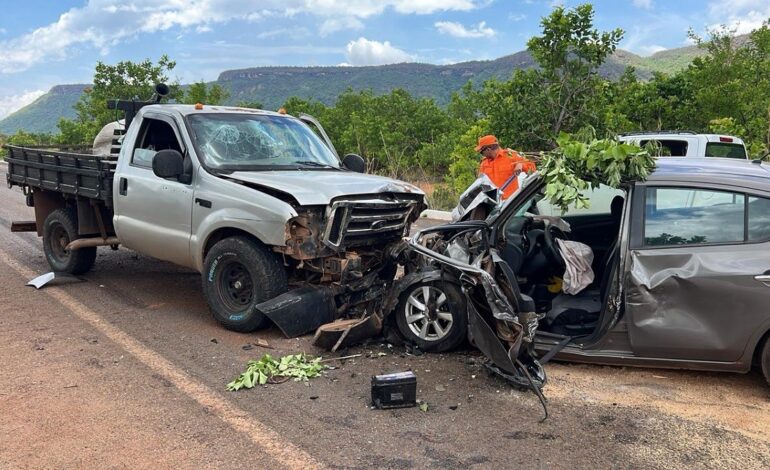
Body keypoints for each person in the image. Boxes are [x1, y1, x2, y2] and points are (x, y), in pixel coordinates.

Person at [476, 135, 536, 199]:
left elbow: (532, 168)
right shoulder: (484, 163)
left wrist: (521, 165)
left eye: (481, 152)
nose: (482, 154)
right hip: (495, 203)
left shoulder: (510, 155)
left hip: (511, 202)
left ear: (488, 149)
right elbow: (481, 183)